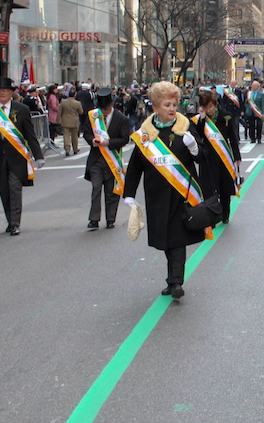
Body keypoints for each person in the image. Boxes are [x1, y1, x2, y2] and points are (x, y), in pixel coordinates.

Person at [121, 81, 212, 300]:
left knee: (177, 239)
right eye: (167, 104)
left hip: (181, 194)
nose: (172, 108)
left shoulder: (185, 127)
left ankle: (175, 282)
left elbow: (202, 157)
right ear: (155, 107)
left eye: (174, 104)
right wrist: (129, 194)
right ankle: (172, 278)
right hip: (157, 196)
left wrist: (194, 147)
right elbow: (135, 166)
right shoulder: (145, 134)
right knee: (165, 240)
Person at [0, 76, 44, 236]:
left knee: (15, 188)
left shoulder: (21, 109)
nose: (2, 93)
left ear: (11, 93)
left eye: (5, 91)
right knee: (4, 190)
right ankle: (9, 219)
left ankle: (15, 223)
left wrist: (38, 155)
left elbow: (30, 134)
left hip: (17, 156)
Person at [81, 87, 131, 230]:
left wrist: (108, 142)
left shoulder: (122, 119)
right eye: (101, 109)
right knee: (96, 188)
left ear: (112, 105)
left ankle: (110, 218)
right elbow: (86, 132)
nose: (103, 112)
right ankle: (94, 219)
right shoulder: (93, 116)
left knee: (111, 191)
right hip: (96, 159)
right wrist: (92, 141)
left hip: (112, 160)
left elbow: (124, 139)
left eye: (106, 109)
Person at [195, 89, 239, 222]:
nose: (209, 110)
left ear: (215, 104)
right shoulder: (201, 121)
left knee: (225, 188)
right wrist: (202, 119)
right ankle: (212, 216)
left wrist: (237, 156)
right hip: (207, 159)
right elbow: (198, 136)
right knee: (208, 190)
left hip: (223, 158)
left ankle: (225, 214)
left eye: (211, 107)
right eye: (205, 108)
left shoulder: (225, 117)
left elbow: (232, 137)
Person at [58, 91, 84, 156]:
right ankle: (75, 149)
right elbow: (81, 112)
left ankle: (67, 149)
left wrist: (57, 120)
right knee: (74, 136)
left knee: (66, 136)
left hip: (65, 121)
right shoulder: (77, 103)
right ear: (74, 95)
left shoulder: (63, 102)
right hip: (74, 121)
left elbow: (59, 112)